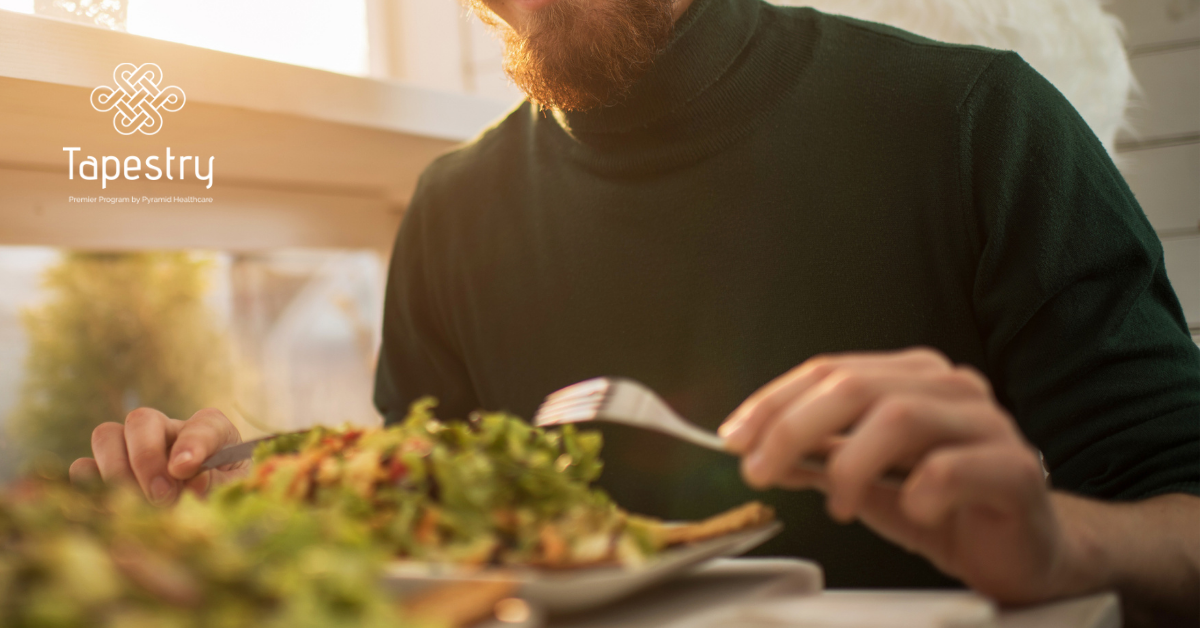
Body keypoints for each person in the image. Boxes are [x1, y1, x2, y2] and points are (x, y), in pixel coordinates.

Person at [72, 0, 1199, 623]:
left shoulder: (980, 126)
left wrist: (1066, 542)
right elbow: (422, 522)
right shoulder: (453, 206)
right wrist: (253, 481)